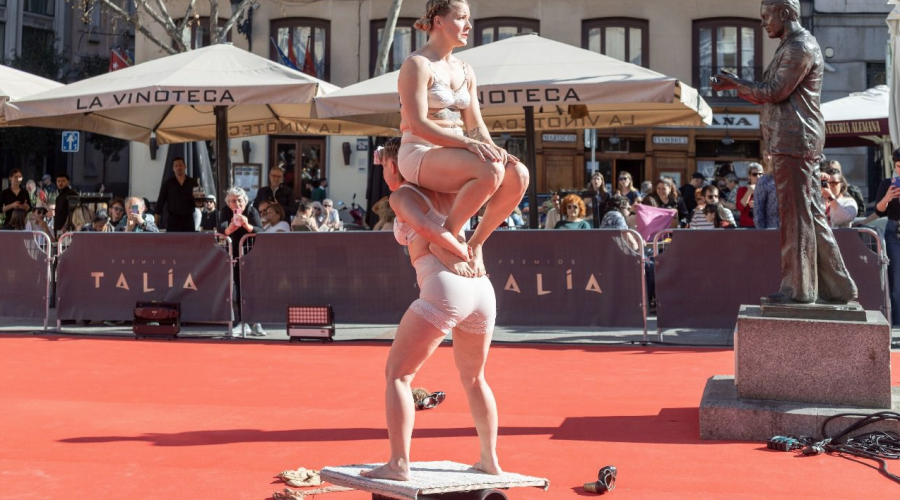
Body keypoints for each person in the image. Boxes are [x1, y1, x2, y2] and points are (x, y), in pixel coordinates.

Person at [363, 137, 500, 481]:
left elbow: (428, 229)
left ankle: (398, 464)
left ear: (395, 165)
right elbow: (474, 224)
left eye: (383, 165)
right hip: (481, 289)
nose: (383, 171)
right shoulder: (454, 190)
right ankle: (489, 460)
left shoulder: (402, 195)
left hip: (445, 284)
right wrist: (472, 250)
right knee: (474, 378)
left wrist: (457, 252)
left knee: (398, 375)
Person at [711, 0, 857, 304]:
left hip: (794, 140)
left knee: (795, 215)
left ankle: (799, 289)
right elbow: (771, 90)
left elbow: (774, 91)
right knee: (809, 213)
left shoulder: (799, 46)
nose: (763, 23)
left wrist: (736, 84)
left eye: (766, 17)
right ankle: (839, 286)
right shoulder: (793, 45)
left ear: (786, 13)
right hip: (793, 140)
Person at [396, 0, 529, 275]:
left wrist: (493, 148)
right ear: (439, 21)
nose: (469, 26)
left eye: (469, 19)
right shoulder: (416, 64)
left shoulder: (467, 70)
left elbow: (475, 124)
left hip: (457, 153)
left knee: (519, 173)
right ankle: (447, 239)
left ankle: (476, 243)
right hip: (419, 152)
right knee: (491, 169)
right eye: (462, 18)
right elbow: (418, 124)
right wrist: (470, 144)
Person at [218, 186, 265, 337]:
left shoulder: (251, 211)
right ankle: (242, 322)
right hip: (234, 255)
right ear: (228, 202)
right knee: (237, 287)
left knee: (253, 287)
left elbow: (261, 231)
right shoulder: (225, 211)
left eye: (239, 201)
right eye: (233, 201)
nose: (236, 204)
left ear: (245, 201)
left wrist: (246, 225)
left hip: (252, 254)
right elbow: (221, 229)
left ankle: (256, 322)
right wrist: (231, 227)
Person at [873, 148, 900, 325]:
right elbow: (878, 210)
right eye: (898, 166)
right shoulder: (887, 183)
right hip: (893, 232)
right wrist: (888, 197)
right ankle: (897, 323)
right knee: (896, 282)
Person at [155, 157, 198, 232]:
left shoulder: (193, 182)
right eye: (176, 166)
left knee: (189, 242)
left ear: (185, 166)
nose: (178, 167)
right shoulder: (168, 184)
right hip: (173, 220)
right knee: (172, 242)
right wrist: (155, 222)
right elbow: (160, 202)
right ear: (173, 168)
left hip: (188, 219)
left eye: (180, 165)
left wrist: (199, 202)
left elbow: (198, 200)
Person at [754, 155, 780, 229]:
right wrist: (762, 233)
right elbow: (758, 210)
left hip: (792, 232)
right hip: (772, 228)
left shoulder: (794, 181)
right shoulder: (765, 181)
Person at [737, 163, 762, 227]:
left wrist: (756, 205)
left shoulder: (765, 189)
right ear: (749, 176)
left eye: (760, 174)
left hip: (762, 224)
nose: (758, 176)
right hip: (746, 225)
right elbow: (740, 208)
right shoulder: (742, 190)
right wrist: (748, 192)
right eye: (754, 174)